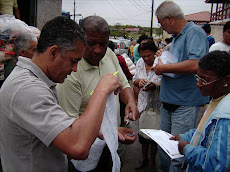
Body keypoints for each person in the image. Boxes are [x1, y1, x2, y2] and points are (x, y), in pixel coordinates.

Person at [0, 16, 124, 172]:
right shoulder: (28, 89)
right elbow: (78, 147)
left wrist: (96, 129)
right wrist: (101, 89)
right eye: (73, 61)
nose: (75, 69)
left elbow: (59, 127)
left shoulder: (39, 81)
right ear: (53, 53)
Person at [56, 16, 139, 172]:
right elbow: (70, 126)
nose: (98, 50)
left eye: (103, 43)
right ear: (79, 40)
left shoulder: (109, 55)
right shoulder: (71, 72)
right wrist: (111, 132)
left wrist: (130, 101)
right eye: (91, 43)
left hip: (110, 143)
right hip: (85, 151)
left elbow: (124, 83)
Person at [154, 1, 209, 171]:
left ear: (168, 19)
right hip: (169, 100)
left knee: (177, 152)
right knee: (164, 147)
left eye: (160, 22)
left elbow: (196, 64)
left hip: (184, 103)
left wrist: (163, 67)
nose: (161, 27)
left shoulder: (194, 32)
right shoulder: (177, 38)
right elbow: (177, 63)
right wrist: (162, 56)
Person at [171, 50, 230, 171]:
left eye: (205, 80)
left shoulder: (225, 118)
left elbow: (218, 165)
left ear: (226, 81)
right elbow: (205, 133)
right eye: (198, 77)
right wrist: (184, 137)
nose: (198, 84)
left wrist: (188, 150)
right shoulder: (217, 99)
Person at [133, 39, 161, 172]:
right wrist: (139, 82)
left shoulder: (161, 64)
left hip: (157, 106)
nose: (145, 59)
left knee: (155, 134)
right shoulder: (139, 63)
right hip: (143, 105)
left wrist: (155, 86)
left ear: (155, 53)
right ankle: (143, 157)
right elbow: (134, 80)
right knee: (143, 134)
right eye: (143, 56)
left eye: (149, 55)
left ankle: (152, 160)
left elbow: (167, 84)